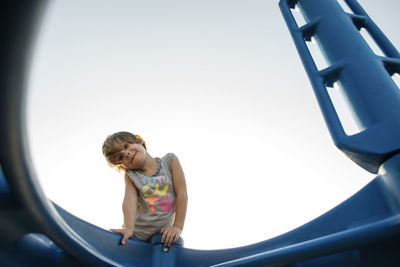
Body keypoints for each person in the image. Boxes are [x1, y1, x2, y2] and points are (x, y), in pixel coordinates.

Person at [102, 131, 188, 247]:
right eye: (120, 157)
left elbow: (182, 194)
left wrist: (177, 227)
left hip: (163, 236)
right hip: (137, 236)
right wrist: (128, 228)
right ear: (122, 166)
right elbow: (129, 200)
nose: (126, 153)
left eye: (126, 146)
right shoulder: (131, 176)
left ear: (139, 140)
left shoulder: (170, 161)